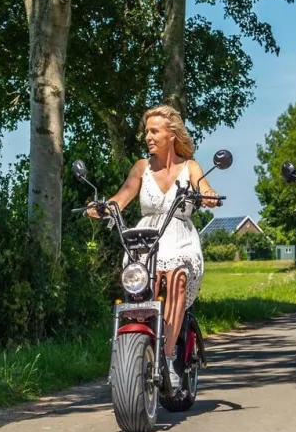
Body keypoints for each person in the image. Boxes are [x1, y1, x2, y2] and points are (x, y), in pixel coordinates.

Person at [89, 105, 221, 392]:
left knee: (177, 278)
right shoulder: (141, 167)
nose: (147, 136)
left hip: (180, 237)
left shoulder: (191, 167)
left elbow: (205, 188)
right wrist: (104, 207)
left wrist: (208, 196)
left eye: (154, 131)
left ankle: (169, 355)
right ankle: (135, 351)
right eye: (146, 131)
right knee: (143, 285)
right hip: (146, 239)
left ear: (171, 134)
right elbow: (121, 197)